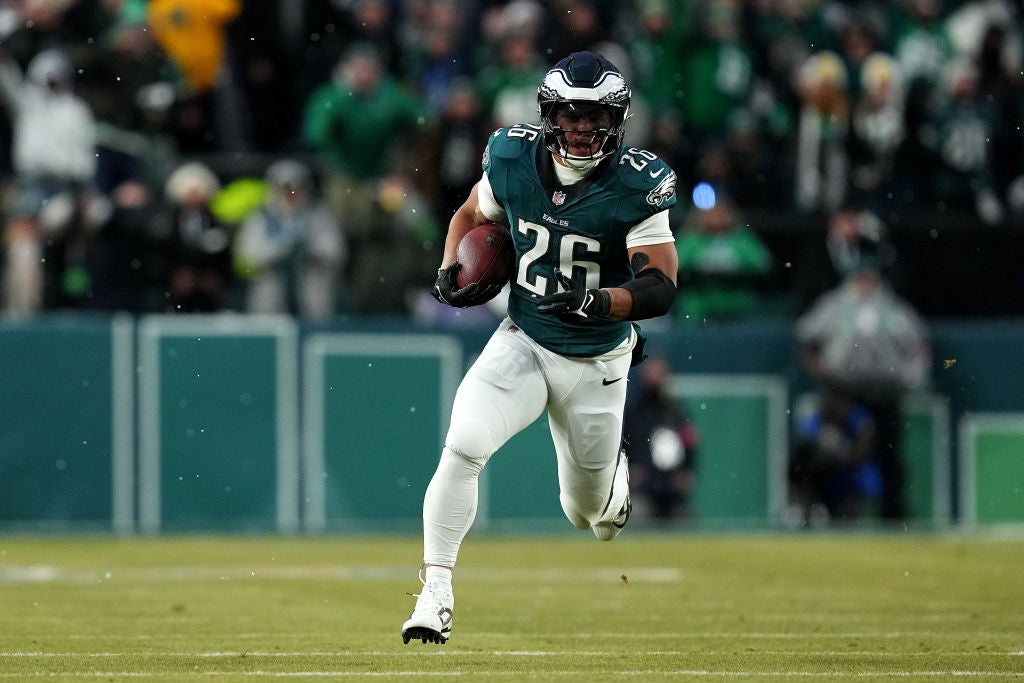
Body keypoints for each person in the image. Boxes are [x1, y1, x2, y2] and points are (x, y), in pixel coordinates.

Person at [401, 51, 679, 645]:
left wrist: (600, 302)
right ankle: (435, 593)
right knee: (464, 445)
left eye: (594, 115)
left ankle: (612, 490)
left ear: (618, 117)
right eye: (570, 114)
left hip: (598, 360)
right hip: (523, 339)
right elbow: (471, 213)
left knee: (586, 515)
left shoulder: (637, 181)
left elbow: (659, 283)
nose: (581, 127)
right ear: (549, 114)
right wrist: (452, 266)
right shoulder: (511, 156)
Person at [795, 233, 931, 522]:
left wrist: (910, 378)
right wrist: (819, 367)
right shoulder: (834, 305)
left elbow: (919, 345)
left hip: (884, 393)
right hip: (843, 393)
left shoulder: (893, 309)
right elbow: (806, 337)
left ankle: (893, 514)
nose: (865, 280)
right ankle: (825, 509)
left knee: (889, 455)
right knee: (830, 450)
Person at [233, 159, 347, 320]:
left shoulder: (318, 216)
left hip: (310, 290)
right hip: (272, 290)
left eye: (296, 189)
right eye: (285, 189)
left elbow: (335, 251)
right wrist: (279, 250)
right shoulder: (261, 218)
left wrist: (309, 251)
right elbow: (247, 254)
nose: (291, 194)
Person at [622, 355, 698, 520]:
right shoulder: (633, 411)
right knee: (638, 515)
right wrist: (627, 472)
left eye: (660, 373)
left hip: (672, 488)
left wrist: (686, 471)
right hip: (642, 487)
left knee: (681, 520)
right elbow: (620, 443)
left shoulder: (675, 411)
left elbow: (689, 441)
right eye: (652, 373)